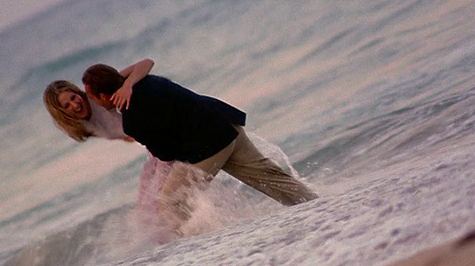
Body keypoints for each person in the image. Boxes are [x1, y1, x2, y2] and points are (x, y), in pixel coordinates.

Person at [82, 61, 318, 232]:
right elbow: (141, 64)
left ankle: (208, 247)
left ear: (104, 95)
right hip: (226, 123)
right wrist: (124, 82)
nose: (92, 102)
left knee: (170, 203)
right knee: (268, 175)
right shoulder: (145, 80)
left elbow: (166, 153)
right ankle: (320, 208)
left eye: (93, 97)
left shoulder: (133, 121)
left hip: (210, 146)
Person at [43, 59, 177, 243]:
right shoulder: (84, 126)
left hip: (162, 141)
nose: (75, 105)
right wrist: (127, 136)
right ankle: (173, 247)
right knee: (144, 210)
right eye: (67, 106)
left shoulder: (99, 94)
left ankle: (186, 233)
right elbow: (118, 129)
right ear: (62, 114)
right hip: (152, 148)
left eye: (74, 97)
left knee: (161, 199)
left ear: (79, 92)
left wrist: (127, 86)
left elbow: (146, 63)